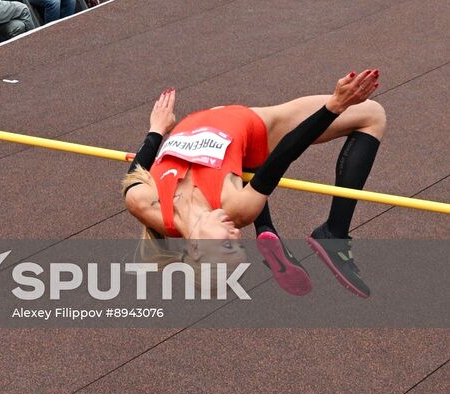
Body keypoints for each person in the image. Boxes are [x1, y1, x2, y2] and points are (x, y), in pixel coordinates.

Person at [123, 71, 384, 299]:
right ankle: (333, 233)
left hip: (208, 127)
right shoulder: (237, 209)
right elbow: (284, 153)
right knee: (373, 115)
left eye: (228, 245)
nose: (236, 236)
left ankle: (271, 227)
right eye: (238, 245)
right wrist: (334, 106)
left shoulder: (146, 206)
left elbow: (137, 171)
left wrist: (157, 129)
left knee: (246, 169)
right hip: (256, 127)